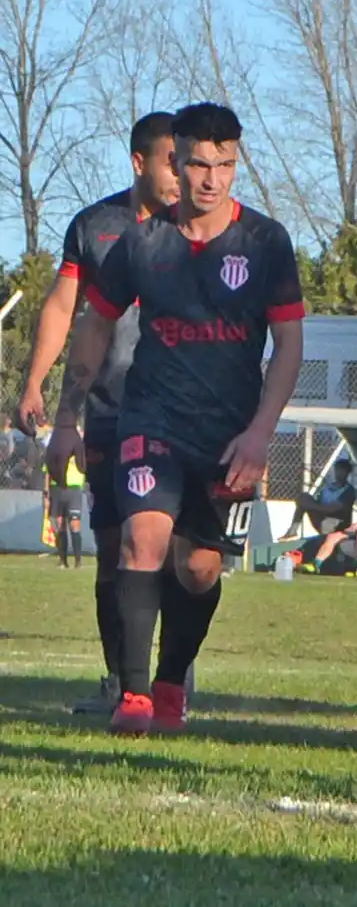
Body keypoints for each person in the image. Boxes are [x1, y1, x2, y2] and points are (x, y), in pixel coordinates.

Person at [49, 102, 304, 736]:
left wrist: (260, 434)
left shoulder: (265, 242)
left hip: (228, 436)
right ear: (175, 161)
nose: (211, 178)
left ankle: (170, 684)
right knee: (142, 539)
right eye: (198, 163)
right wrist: (66, 417)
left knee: (198, 569)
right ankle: (133, 698)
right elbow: (95, 325)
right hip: (150, 419)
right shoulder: (143, 241)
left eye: (225, 165)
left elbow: (290, 346)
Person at [24, 112, 180, 714]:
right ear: (141, 162)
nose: (182, 174)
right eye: (172, 160)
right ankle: (123, 681)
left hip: (182, 412)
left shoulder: (197, 228)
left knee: (181, 554)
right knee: (116, 547)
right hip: (112, 410)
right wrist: (43, 390)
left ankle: (168, 677)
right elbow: (64, 309)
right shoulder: (94, 228)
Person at [279, 457, 357, 541]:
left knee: (326, 521)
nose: (339, 473)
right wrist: (309, 504)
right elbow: (316, 501)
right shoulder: (327, 487)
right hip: (321, 516)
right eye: (337, 470)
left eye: (342, 471)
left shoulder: (349, 491)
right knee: (304, 497)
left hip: (336, 524)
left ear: (347, 473)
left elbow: (330, 509)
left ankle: (325, 540)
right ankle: (292, 531)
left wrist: (312, 506)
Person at [49, 453, 87, 569]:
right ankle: (63, 561)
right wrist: (46, 493)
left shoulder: (80, 451)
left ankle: (78, 561)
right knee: (60, 525)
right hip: (57, 489)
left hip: (74, 490)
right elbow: (47, 471)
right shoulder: (55, 449)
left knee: (74, 524)